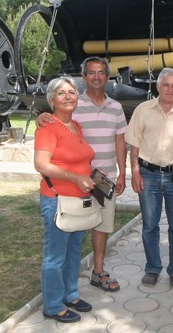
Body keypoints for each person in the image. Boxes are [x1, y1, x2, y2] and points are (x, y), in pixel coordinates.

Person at [38, 57, 128, 292]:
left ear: (107, 77)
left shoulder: (116, 107)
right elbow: (57, 119)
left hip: (104, 179)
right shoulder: (75, 104)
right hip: (78, 182)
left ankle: (98, 272)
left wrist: (122, 173)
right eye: (91, 73)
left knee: (102, 226)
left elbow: (120, 141)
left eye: (101, 73)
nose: (97, 77)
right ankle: (62, 291)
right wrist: (42, 116)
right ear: (84, 77)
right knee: (74, 228)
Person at [126, 67, 173, 288]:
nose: (170, 89)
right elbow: (134, 145)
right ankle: (152, 268)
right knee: (150, 225)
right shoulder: (143, 110)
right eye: (165, 85)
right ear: (158, 86)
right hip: (148, 175)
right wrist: (135, 172)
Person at [33, 77, 97, 323]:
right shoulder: (48, 126)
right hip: (57, 200)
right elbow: (41, 165)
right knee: (55, 255)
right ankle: (52, 305)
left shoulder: (76, 126)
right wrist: (75, 177)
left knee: (73, 252)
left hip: (79, 201)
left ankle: (70, 294)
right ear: (52, 100)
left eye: (72, 92)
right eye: (61, 93)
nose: (68, 96)